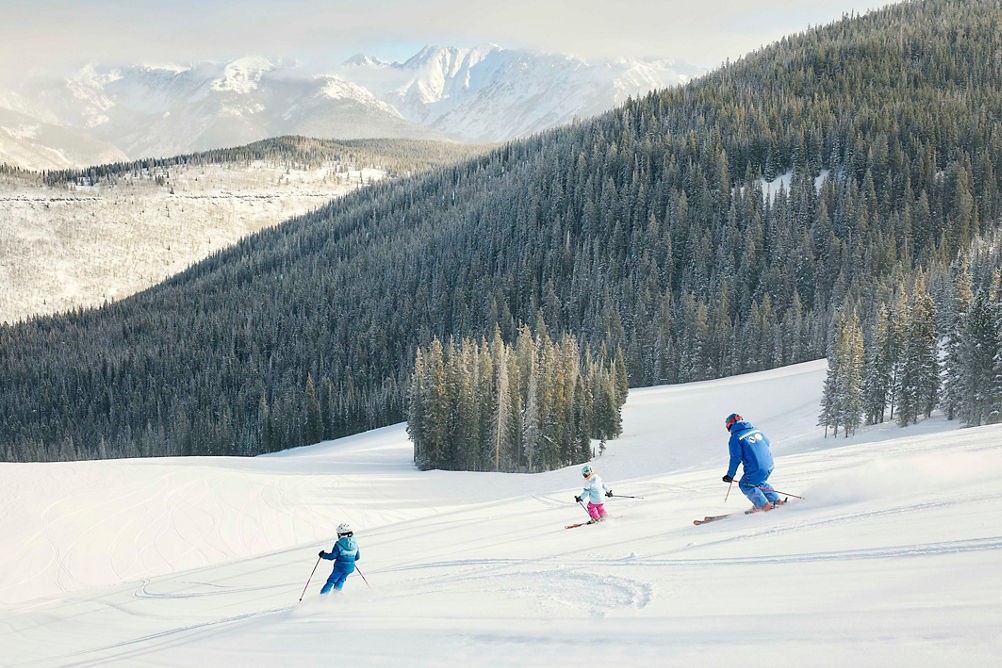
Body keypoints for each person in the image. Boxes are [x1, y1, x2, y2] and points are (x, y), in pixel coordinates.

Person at [722, 413, 784, 512]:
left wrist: (730, 475)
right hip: (769, 464)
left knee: (745, 484)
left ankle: (763, 506)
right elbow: (767, 443)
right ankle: (776, 501)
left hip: (757, 468)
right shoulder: (755, 430)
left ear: (729, 425)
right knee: (757, 482)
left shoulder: (735, 437)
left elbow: (735, 458)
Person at [318, 523, 361, 594]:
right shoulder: (355, 544)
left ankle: (322, 597)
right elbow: (357, 557)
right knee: (341, 580)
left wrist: (323, 555)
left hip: (339, 567)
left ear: (341, 534)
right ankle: (336, 596)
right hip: (350, 568)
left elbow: (333, 556)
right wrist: (350, 558)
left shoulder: (338, 544)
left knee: (331, 581)